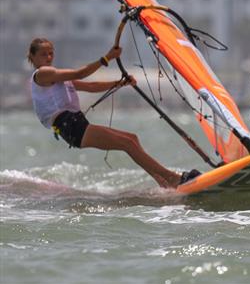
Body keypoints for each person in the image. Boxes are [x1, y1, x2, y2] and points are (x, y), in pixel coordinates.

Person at [27, 37, 199, 188]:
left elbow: (90, 86)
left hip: (76, 123)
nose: (49, 57)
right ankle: (173, 179)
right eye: (43, 54)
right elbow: (81, 73)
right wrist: (107, 58)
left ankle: (163, 182)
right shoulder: (42, 74)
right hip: (70, 126)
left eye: (51, 53)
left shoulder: (56, 78)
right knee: (128, 144)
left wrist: (120, 83)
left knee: (132, 139)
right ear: (33, 57)